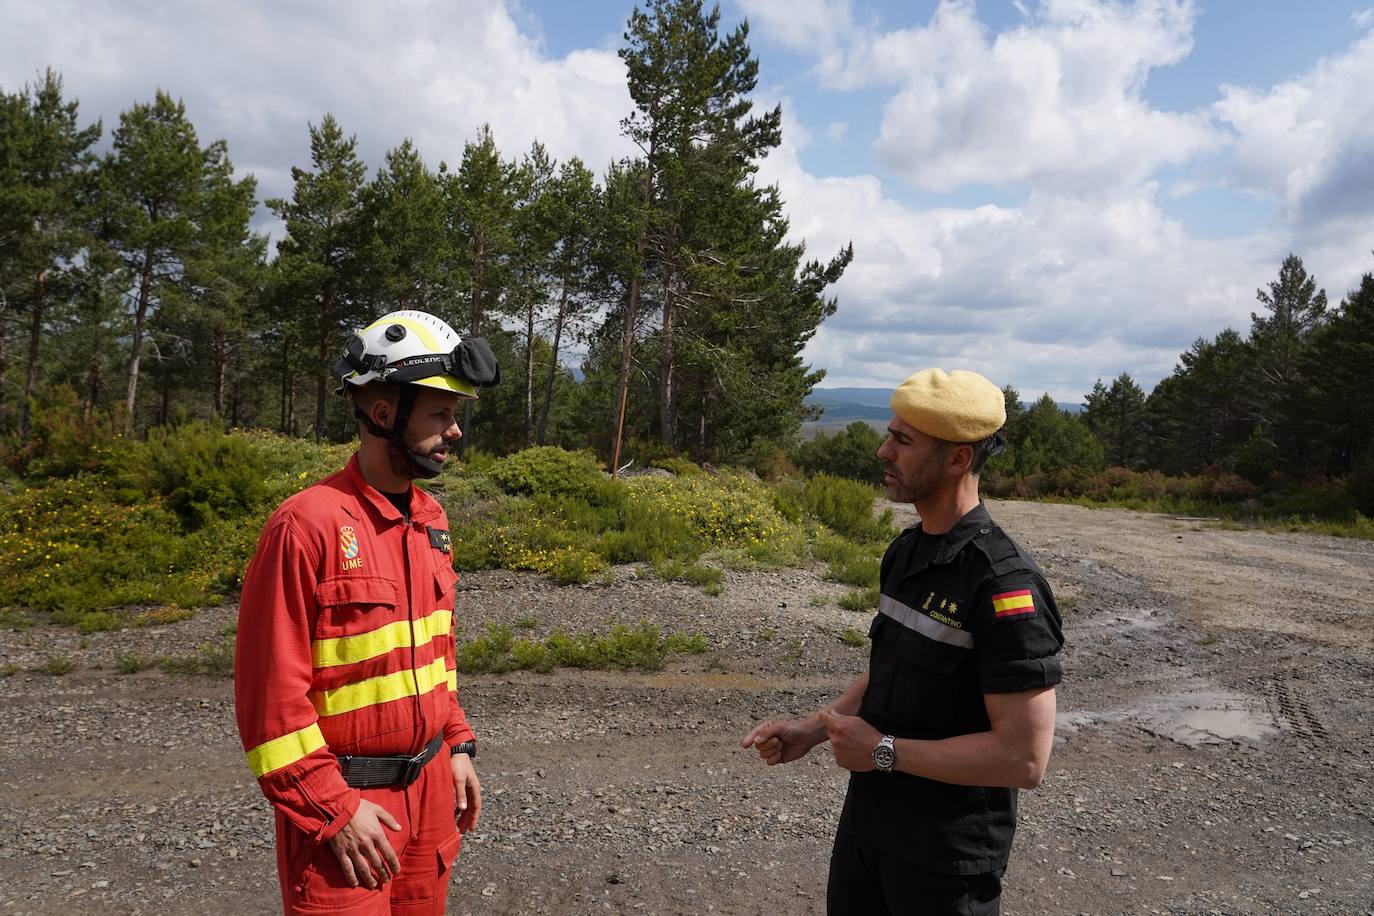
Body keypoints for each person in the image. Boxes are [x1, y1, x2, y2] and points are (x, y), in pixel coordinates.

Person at [742, 368, 1064, 916]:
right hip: (869, 830)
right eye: (890, 433)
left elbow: (1023, 758)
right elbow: (893, 667)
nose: (882, 450)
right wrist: (814, 730)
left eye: (903, 441)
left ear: (959, 458)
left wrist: (883, 753)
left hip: (944, 860)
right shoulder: (908, 551)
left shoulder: (1004, 585)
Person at [234, 309, 499, 915]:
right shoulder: (307, 524)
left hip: (430, 797)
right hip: (348, 811)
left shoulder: (431, 520)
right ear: (385, 415)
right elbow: (270, 706)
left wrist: (455, 743)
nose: (454, 431)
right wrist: (333, 809)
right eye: (440, 414)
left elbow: (435, 652)